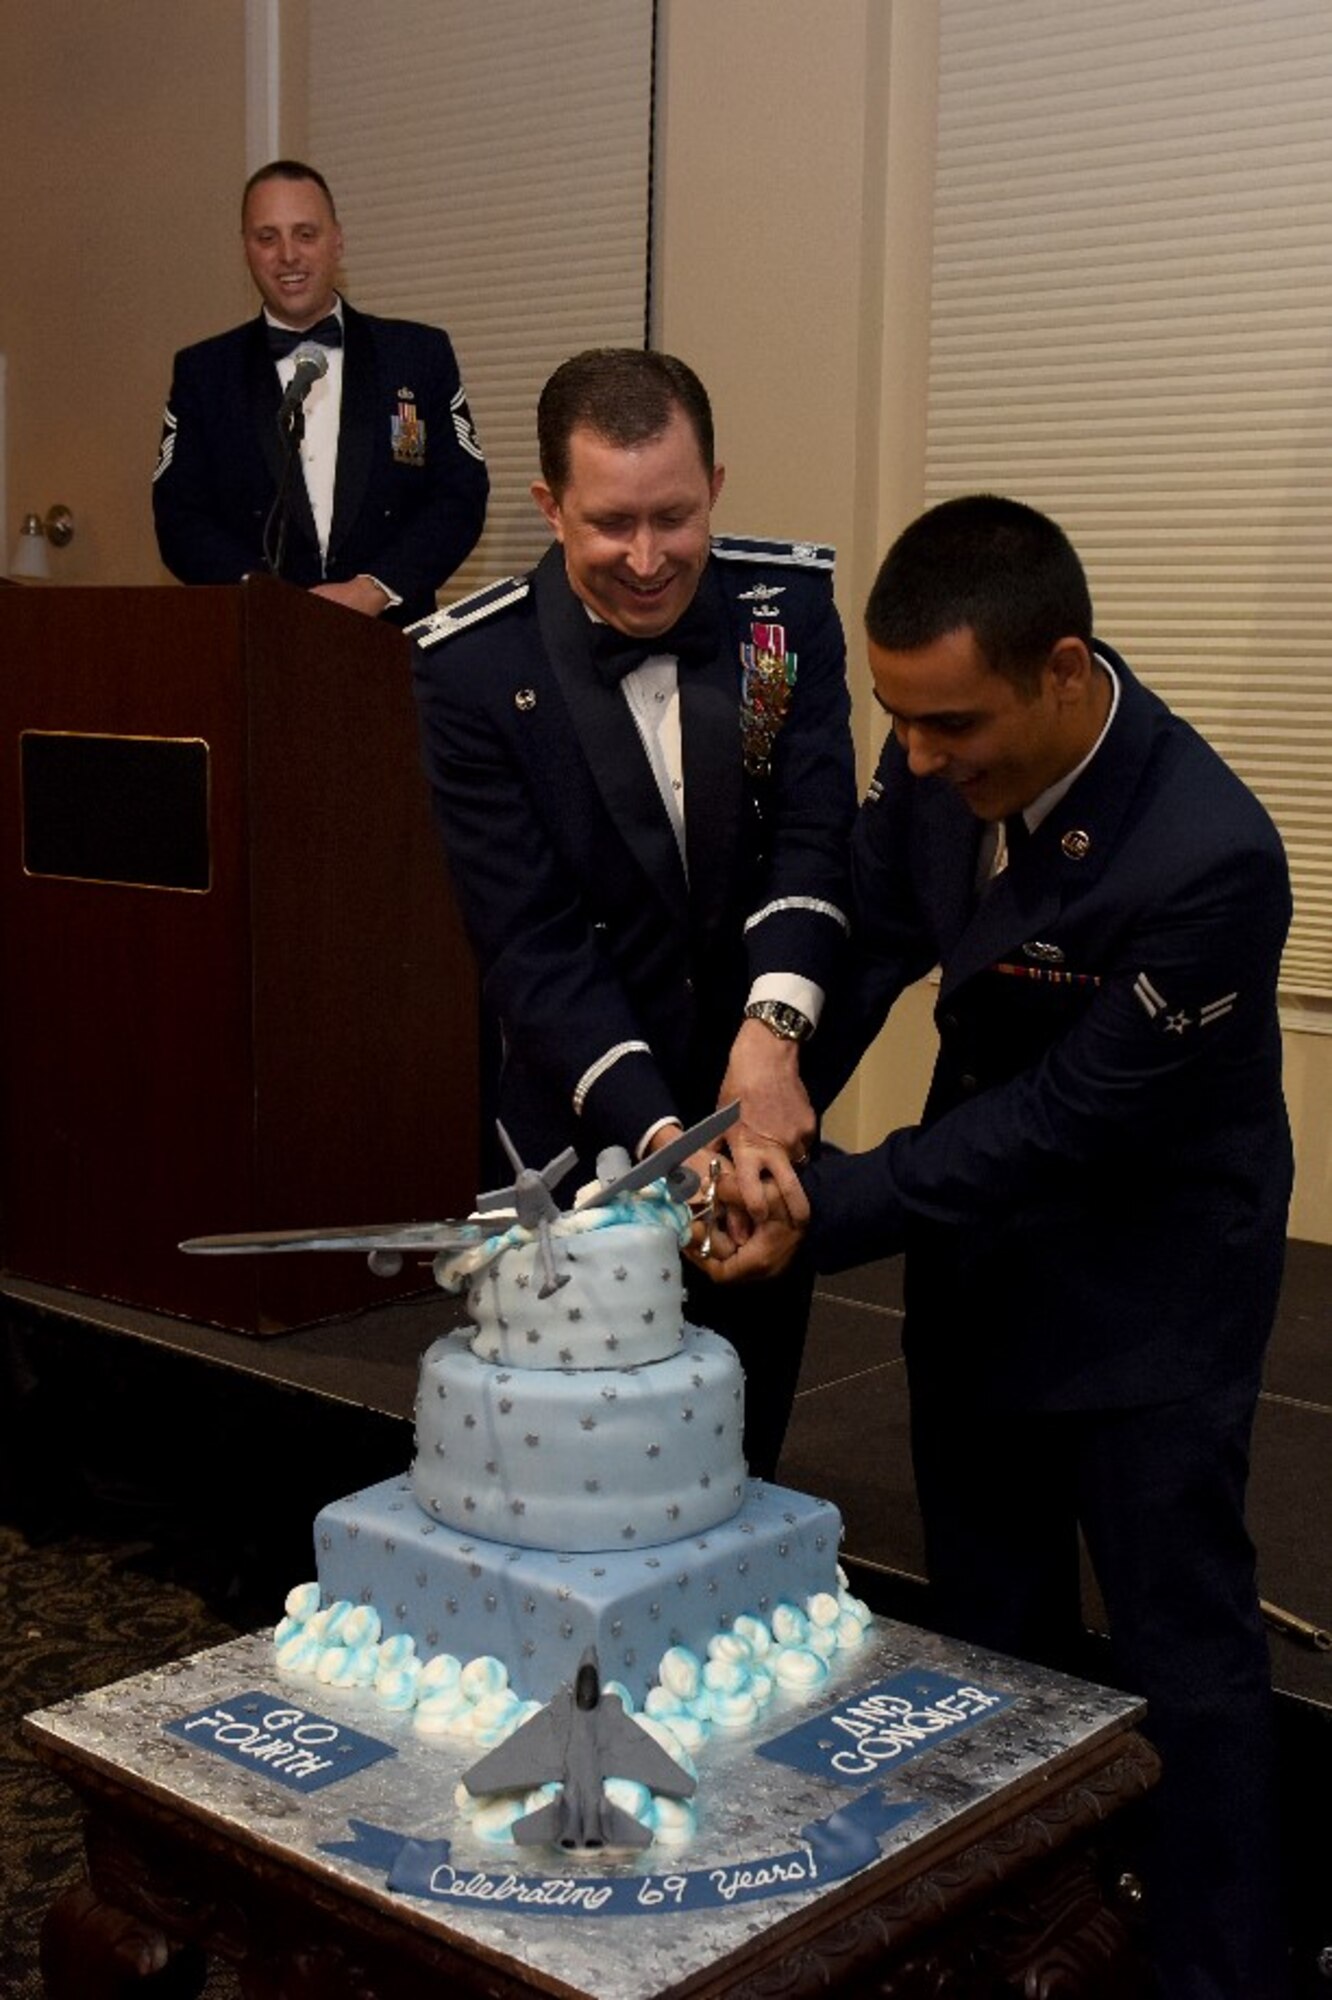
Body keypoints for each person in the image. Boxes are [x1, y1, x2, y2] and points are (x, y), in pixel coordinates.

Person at [700, 495, 1293, 1999]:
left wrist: (813, 1210)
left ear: (1063, 669)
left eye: (949, 723)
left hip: (1146, 1295)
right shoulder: (943, 774)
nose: (916, 760)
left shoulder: (1209, 853)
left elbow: (1056, 1125)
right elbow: (878, 926)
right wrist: (777, 1087)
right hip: (978, 1277)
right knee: (987, 1643)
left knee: (1183, 1653)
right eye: (897, 720)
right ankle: (1007, 1947)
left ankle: (1223, 1969)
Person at [409, 347, 857, 1477]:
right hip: (581, 1128)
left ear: (716, 482)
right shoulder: (472, 671)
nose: (650, 559)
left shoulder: (784, 613)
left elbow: (811, 838)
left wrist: (775, 1039)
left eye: (677, 515)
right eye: (612, 523)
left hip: (763, 1117)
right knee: (583, 1481)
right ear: (549, 505)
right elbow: (532, 945)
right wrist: (670, 1142)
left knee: (739, 1458)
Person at [152, 159, 488, 627]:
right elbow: (179, 520)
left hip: (394, 643)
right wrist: (270, 602)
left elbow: (460, 498)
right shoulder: (203, 373)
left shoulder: (418, 355)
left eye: (305, 234)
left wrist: (375, 587)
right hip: (259, 646)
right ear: (246, 249)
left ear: (338, 241)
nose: (287, 255)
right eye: (267, 238)